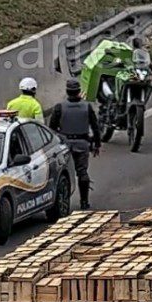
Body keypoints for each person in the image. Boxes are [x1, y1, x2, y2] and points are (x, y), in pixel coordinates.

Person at [48, 78, 101, 210]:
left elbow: (52, 128)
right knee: (82, 172)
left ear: (67, 92)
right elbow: (95, 127)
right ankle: (84, 201)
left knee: (62, 173)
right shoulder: (87, 107)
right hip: (82, 144)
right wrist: (97, 144)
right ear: (78, 92)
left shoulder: (60, 107)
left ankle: (62, 203)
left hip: (64, 145)